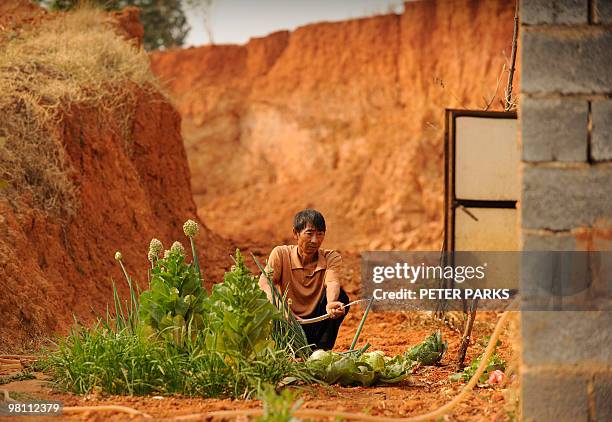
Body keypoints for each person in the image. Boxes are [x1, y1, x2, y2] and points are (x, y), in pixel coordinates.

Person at [258, 209, 350, 350]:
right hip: (288, 322)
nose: (315, 240)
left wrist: (331, 303)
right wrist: (282, 309)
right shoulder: (281, 254)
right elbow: (264, 282)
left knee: (342, 298)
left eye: (320, 234)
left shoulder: (330, 257)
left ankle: (320, 351)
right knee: (264, 296)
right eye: (309, 234)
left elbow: (332, 281)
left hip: (316, 322)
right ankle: (282, 347)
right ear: (295, 233)